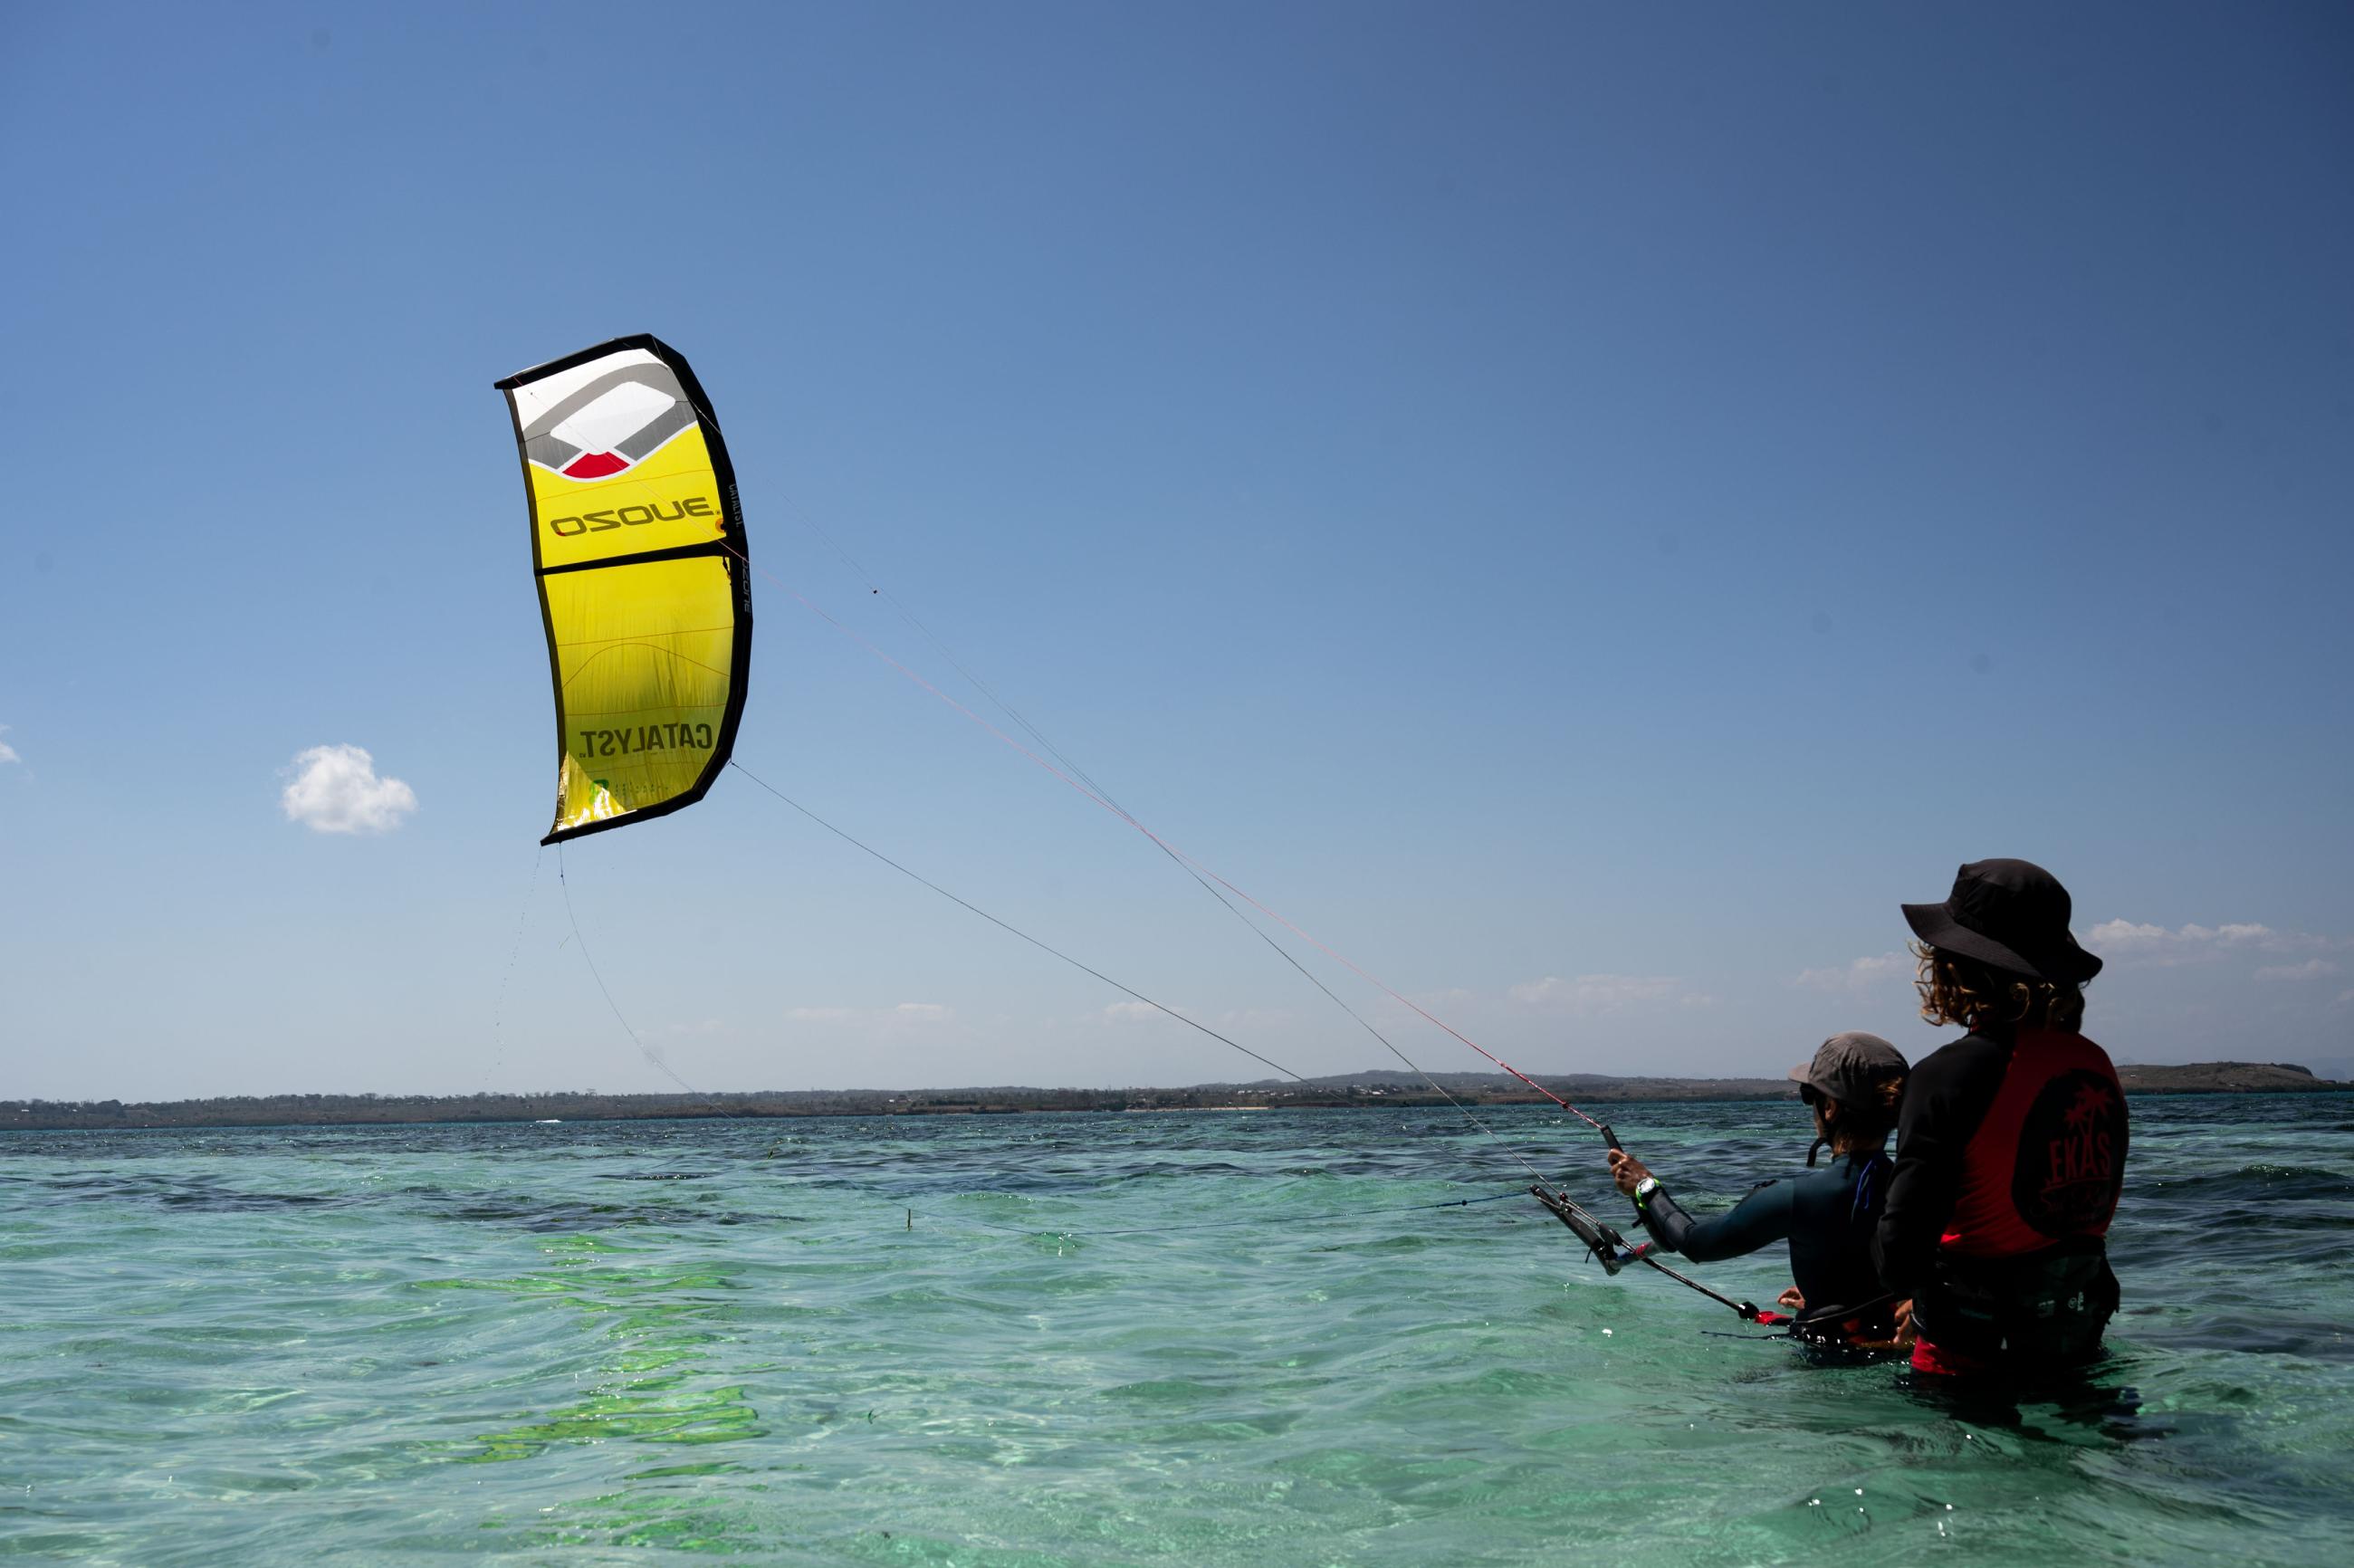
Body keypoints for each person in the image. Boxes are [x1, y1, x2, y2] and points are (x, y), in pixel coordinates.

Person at [1876, 858, 2127, 1379]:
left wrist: (1901, 1293)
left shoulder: (1949, 1074)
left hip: (1968, 1355)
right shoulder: (2094, 1063)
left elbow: (1902, 1246)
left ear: (1954, 965)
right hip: (2075, 1335)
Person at [1606, 1031, 1909, 1343]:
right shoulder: (1920, 1188)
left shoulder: (1797, 1197)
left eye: (1809, 1095)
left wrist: (1646, 1186)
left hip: (1828, 1360)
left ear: (1830, 1107)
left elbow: (1696, 1244)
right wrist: (1825, 1296)